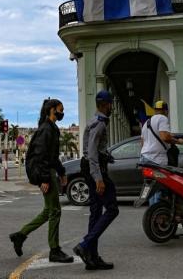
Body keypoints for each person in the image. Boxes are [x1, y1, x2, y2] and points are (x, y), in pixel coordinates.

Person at [9, 99, 74, 263]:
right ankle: (54, 250)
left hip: (50, 172)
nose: (62, 113)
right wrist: (45, 179)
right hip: (46, 174)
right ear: (52, 110)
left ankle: (20, 235)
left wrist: (62, 172)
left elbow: (52, 156)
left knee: (48, 211)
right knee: (55, 211)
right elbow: (41, 156)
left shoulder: (51, 128)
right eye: (60, 109)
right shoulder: (46, 129)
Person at [73, 91, 118, 271]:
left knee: (96, 211)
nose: (112, 107)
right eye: (111, 104)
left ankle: (92, 257)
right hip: (94, 169)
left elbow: (96, 150)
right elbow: (92, 153)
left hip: (93, 166)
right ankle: (85, 246)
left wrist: (107, 156)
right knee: (112, 208)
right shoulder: (99, 124)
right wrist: (98, 178)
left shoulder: (95, 121)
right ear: (106, 104)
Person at [139, 101, 183, 166]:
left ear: (155, 110)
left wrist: (170, 135)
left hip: (144, 157)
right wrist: (179, 141)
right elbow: (165, 137)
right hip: (156, 159)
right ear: (166, 111)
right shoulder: (162, 118)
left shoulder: (146, 123)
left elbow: (142, 143)